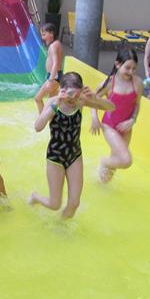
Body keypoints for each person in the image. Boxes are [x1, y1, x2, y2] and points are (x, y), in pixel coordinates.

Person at [30, 73, 115, 219]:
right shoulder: (53, 102)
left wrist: (95, 98)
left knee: (74, 203)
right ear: (61, 90)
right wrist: (56, 103)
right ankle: (35, 197)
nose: (72, 99)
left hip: (75, 155)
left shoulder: (80, 101)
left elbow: (112, 107)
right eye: (69, 95)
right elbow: (38, 127)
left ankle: (61, 227)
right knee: (55, 204)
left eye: (76, 95)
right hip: (55, 157)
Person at [90, 50, 143, 183]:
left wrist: (133, 120)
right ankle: (103, 161)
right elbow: (93, 100)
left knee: (114, 166)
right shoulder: (108, 83)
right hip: (110, 125)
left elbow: (137, 105)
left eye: (134, 68)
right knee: (126, 160)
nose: (131, 72)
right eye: (127, 67)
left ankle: (101, 186)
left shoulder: (138, 83)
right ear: (118, 64)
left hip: (126, 127)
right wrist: (94, 117)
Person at [34, 23, 64, 114]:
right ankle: (51, 119)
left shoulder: (53, 46)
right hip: (57, 75)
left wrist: (51, 79)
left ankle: (42, 118)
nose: (42, 37)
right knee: (51, 103)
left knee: (38, 98)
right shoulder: (57, 44)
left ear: (51, 34)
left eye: (44, 35)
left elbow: (55, 63)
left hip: (54, 76)